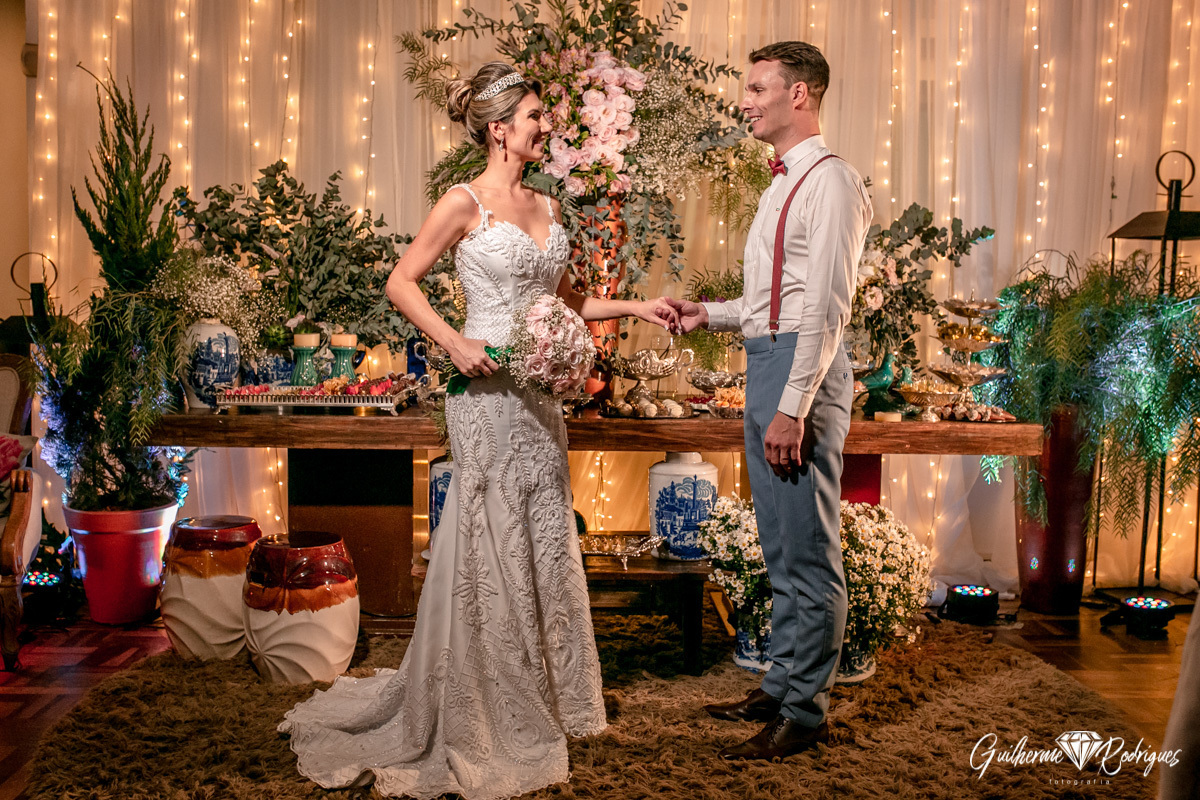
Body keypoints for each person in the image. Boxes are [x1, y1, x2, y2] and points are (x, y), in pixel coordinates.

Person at [279, 61, 679, 799]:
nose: (545, 124)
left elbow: (571, 301)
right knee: (488, 537)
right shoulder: (461, 203)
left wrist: (638, 308)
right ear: (499, 129)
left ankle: (552, 695)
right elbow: (401, 281)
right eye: (533, 115)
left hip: (539, 401)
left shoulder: (551, 208)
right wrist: (453, 342)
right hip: (485, 393)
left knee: (542, 533)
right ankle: (484, 702)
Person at [667, 41, 872, 762]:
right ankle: (782, 683)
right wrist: (710, 315)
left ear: (801, 94)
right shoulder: (780, 182)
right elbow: (772, 301)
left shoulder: (834, 182)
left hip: (801, 373)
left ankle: (805, 714)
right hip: (768, 360)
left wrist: (793, 405)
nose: (744, 101)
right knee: (780, 545)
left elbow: (824, 307)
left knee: (809, 551)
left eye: (757, 88)